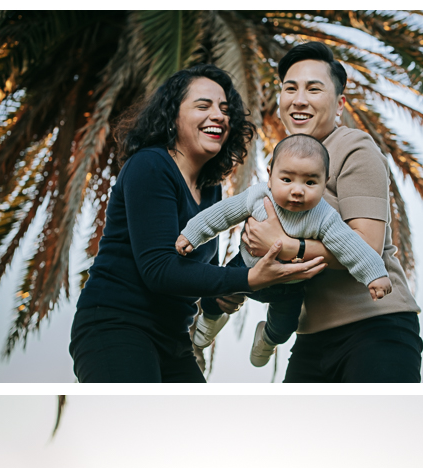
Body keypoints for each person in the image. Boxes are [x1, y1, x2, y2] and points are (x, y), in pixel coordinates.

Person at [68, 64, 325, 382]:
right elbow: (159, 269)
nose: (219, 115)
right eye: (203, 106)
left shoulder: (210, 187)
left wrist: (220, 296)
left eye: (224, 109)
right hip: (116, 328)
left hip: (174, 339)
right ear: (173, 115)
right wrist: (247, 278)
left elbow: (204, 269)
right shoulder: (150, 166)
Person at [240, 42, 423, 382]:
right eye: (289, 88)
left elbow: (366, 248)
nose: (299, 99)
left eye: (313, 88)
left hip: (376, 331)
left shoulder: (355, 147)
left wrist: (284, 245)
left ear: (339, 105)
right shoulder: (283, 167)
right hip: (310, 339)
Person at [177, 134, 391, 368]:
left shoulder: (324, 216)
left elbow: (350, 245)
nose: (297, 190)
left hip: (289, 285)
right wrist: (192, 233)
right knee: (216, 294)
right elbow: (222, 213)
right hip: (245, 269)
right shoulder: (258, 195)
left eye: (310, 183)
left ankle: (267, 339)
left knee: (285, 325)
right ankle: (209, 321)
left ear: (325, 181)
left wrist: (374, 273)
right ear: (270, 176)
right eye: (287, 179)